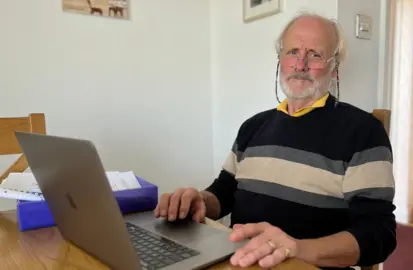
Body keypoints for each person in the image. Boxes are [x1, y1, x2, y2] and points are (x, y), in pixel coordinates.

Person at [155, 12, 396, 270]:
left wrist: (296, 248)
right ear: (281, 59)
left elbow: (378, 234)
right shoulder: (253, 127)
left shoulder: (363, 132)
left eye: (314, 54)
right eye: (292, 51)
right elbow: (224, 193)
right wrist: (199, 201)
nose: (300, 64)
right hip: (238, 262)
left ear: (333, 65)